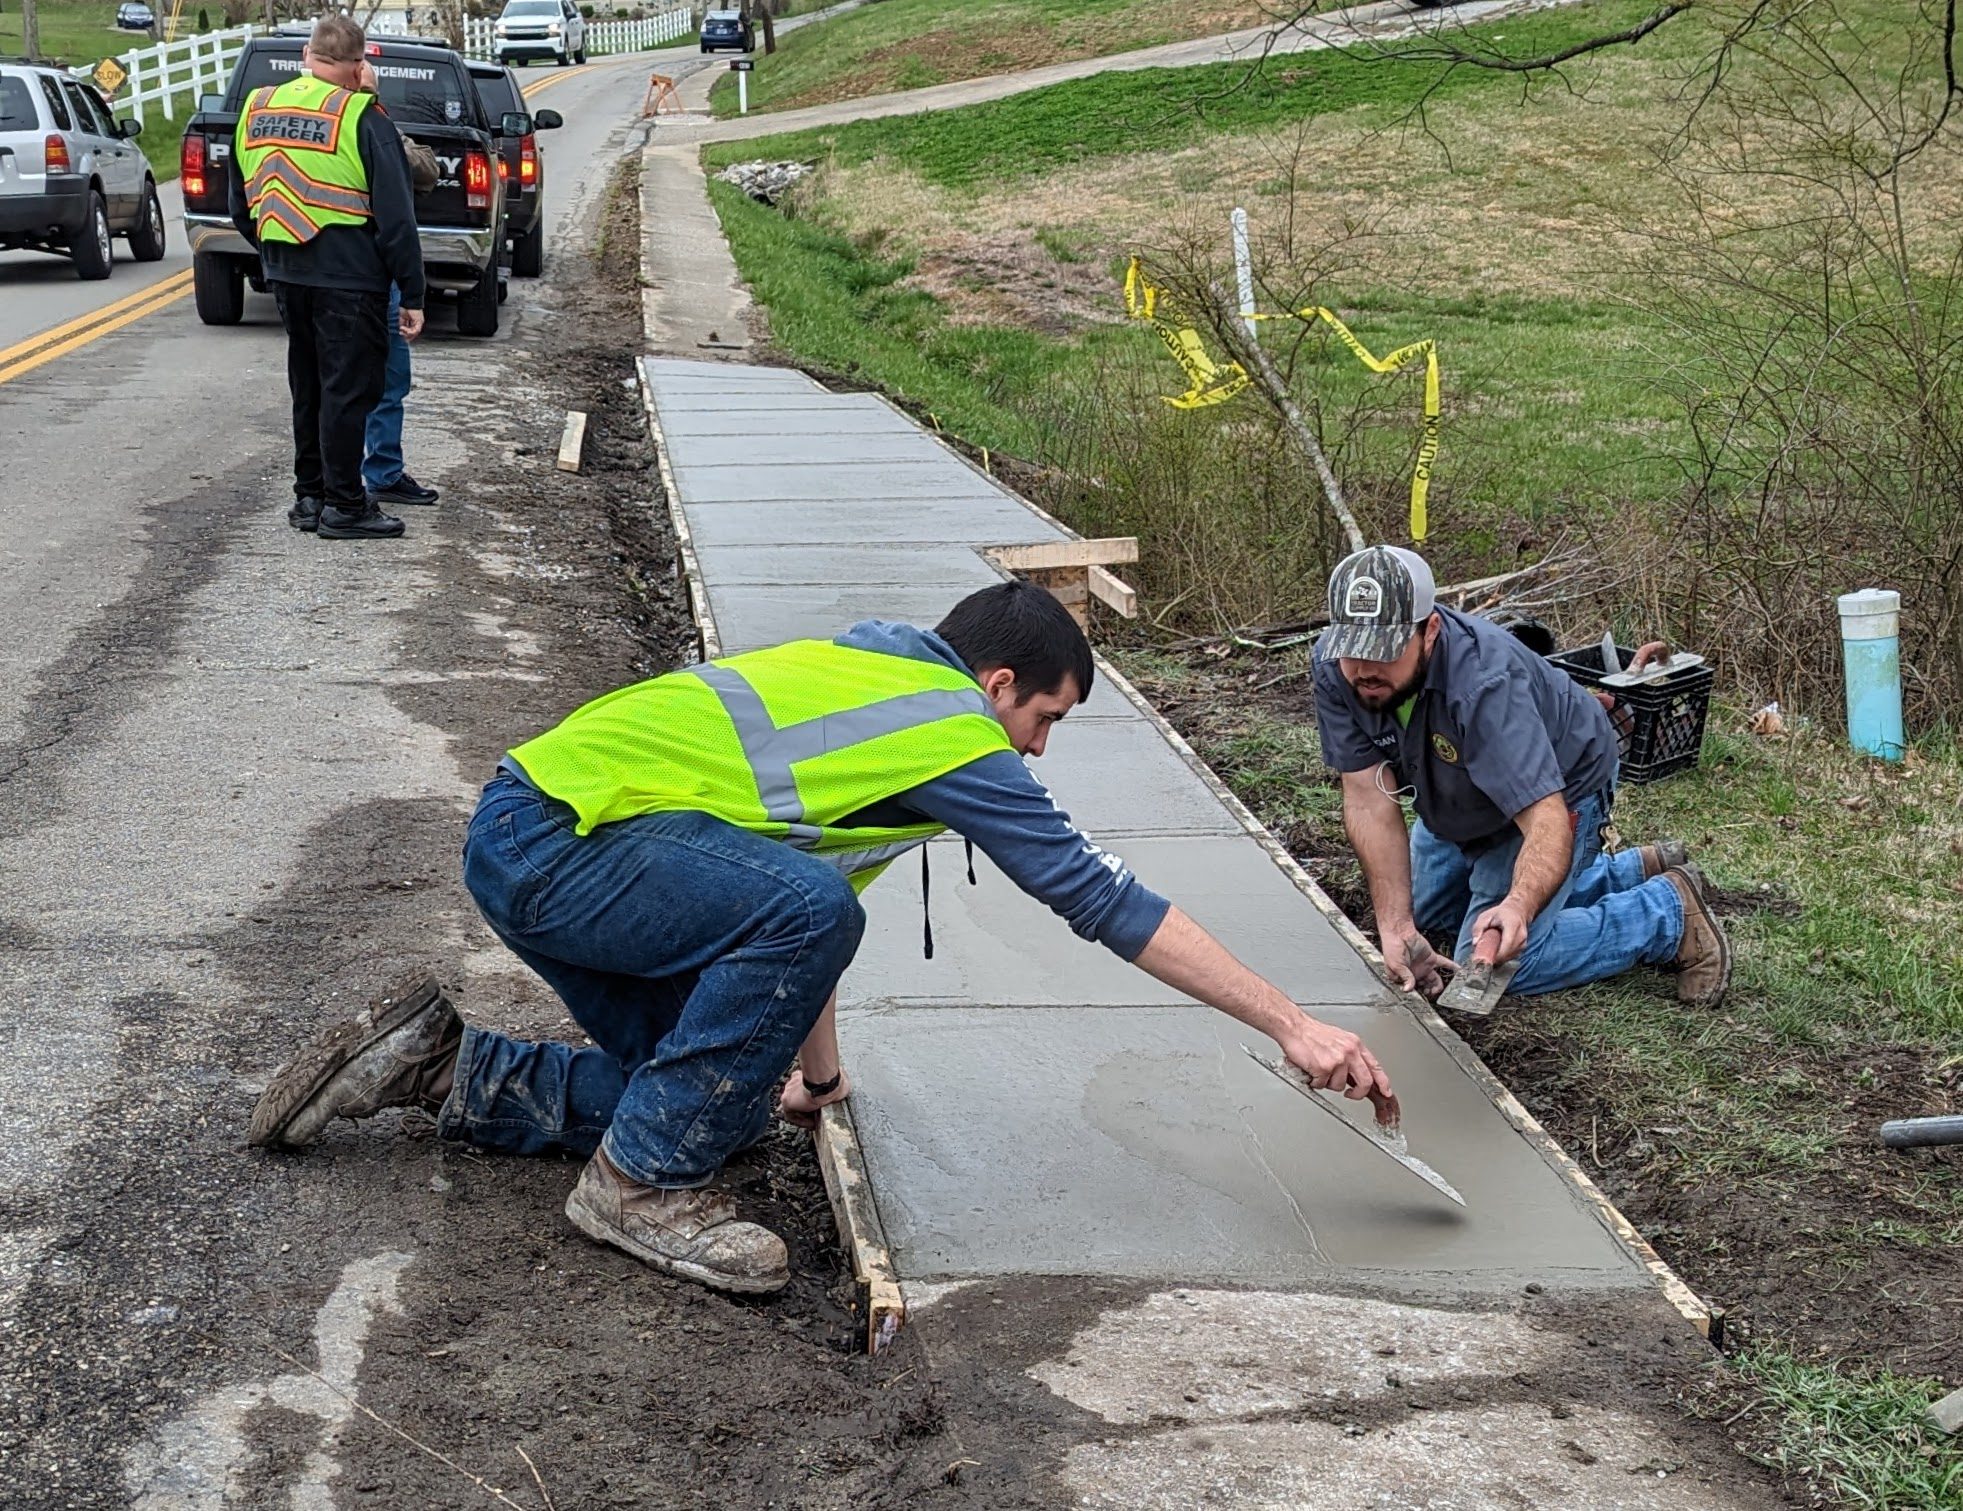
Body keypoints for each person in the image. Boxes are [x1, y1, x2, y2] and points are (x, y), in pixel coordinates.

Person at [249, 582, 1395, 1294]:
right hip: (562, 849)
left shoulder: (869, 671)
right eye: (1044, 718)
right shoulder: (952, 730)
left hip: (542, 831)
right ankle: (634, 1190)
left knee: (710, 1095)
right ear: (998, 684)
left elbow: (784, 872)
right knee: (805, 930)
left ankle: (443, 1063)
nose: (1036, 750)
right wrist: (1292, 1023)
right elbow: (1097, 898)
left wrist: (818, 1078)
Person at [1312, 544, 1731, 1009]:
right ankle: (1629, 871)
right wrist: (1396, 928)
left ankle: (1666, 913)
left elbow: (1544, 819)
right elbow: (1369, 798)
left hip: (1561, 783)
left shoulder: (1484, 685)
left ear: (1429, 631)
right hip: (1453, 788)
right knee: (1428, 919)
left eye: (1384, 653)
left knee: (1494, 960)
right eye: (1353, 651)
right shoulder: (1335, 670)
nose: (1365, 670)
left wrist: (1517, 906)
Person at [228, 14, 425, 541]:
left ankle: (309, 496)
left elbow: (240, 202)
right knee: (348, 390)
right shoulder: (362, 115)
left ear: (307, 57)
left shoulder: (259, 106)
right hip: (350, 276)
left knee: (309, 386)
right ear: (359, 65)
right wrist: (413, 292)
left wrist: (275, 249)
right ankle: (345, 504)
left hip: (287, 269)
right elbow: (398, 219)